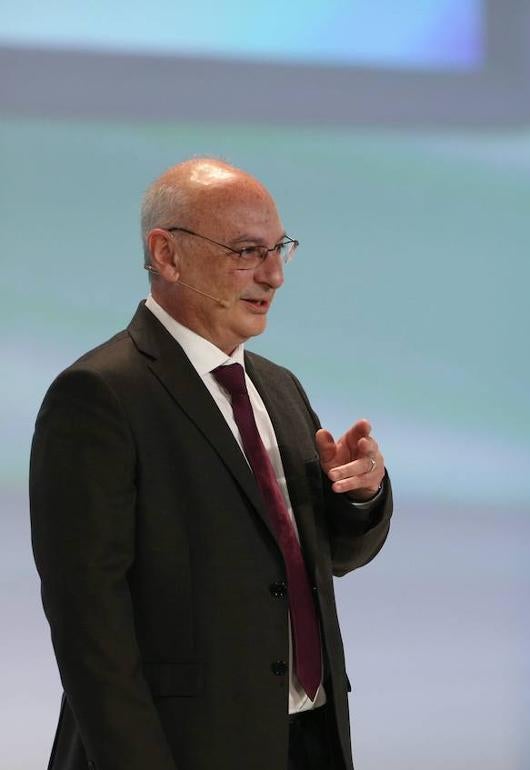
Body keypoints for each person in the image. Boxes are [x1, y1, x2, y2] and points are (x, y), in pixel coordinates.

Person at [29, 158, 393, 770]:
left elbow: (328, 559)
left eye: (280, 249)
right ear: (167, 255)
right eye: (248, 251)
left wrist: (358, 498)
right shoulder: (99, 395)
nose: (274, 275)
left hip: (306, 741)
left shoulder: (278, 389)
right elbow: (89, 628)